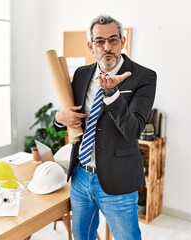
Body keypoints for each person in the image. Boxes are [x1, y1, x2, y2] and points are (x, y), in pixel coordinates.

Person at [54, 14, 156, 240]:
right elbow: (71, 115)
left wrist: (111, 94)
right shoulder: (81, 74)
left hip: (118, 180)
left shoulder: (144, 77)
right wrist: (59, 119)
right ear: (91, 45)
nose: (107, 47)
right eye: (100, 41)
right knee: (83, 237)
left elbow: (133, 130)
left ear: (123, 41)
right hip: (81, 177)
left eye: (113, 40)